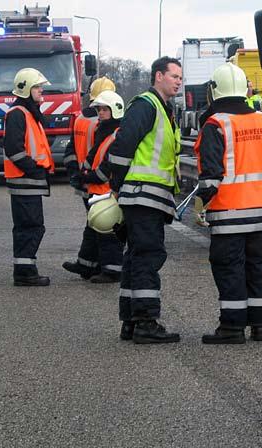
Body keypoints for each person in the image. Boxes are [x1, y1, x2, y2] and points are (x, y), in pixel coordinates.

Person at [194, 63, 262, 344]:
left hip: (228, 214)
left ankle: (232, 327)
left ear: (213, 92)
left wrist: (199, 204)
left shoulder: (215, 124)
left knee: (229, 269)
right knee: (255, 268)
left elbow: (211, 176)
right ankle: (259, 325)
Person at [108, 56, 182, 343]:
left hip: (147, 195)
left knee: (136, 256)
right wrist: (117, 184)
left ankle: (130, 319)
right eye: (174, 75)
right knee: (148, 256)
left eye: (180, 76)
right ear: (158, 76)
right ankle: (146, 321)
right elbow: (123, 146)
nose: (178, 81)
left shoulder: (163, 109)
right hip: (143, 194)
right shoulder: (147, 105)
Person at [66, 90, 125, 283]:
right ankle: (85, 265)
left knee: (106, 231)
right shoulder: (104, 130)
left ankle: (112, 271)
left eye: (104, 109)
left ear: (115, 110)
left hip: (107, 191)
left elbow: (107, 167)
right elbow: (93, 157)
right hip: (97, 190)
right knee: (92, 228)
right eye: (99, 109)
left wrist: (87, 177)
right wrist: (81, 174)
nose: (100, 113)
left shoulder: (117, 134)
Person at [4, 68, 54, 287]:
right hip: (25, 181)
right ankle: (25, 273)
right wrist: (34, 169)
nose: (41, 90)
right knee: (31, 227)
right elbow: (14, 150)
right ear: (26, 89)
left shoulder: (28, 111)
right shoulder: (19, 113)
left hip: (28, 181)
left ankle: (25, 270)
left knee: (30, 226)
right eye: (37, 86)